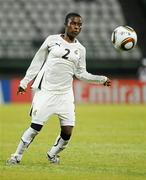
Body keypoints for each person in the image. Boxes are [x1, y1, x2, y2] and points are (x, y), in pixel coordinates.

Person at [7, 12, 111, 165]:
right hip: (46, 91)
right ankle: (16, 156)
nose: (77, 27)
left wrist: (101, 79)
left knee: (68, 132)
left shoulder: (80, 49)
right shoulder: (52, 40)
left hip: (65, 94)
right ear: (66, 24)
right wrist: (24, 82)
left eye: (79, 25)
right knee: (36, 127)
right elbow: (37, 61)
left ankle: (52, 154)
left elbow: (81, 73)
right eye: (73, 24)